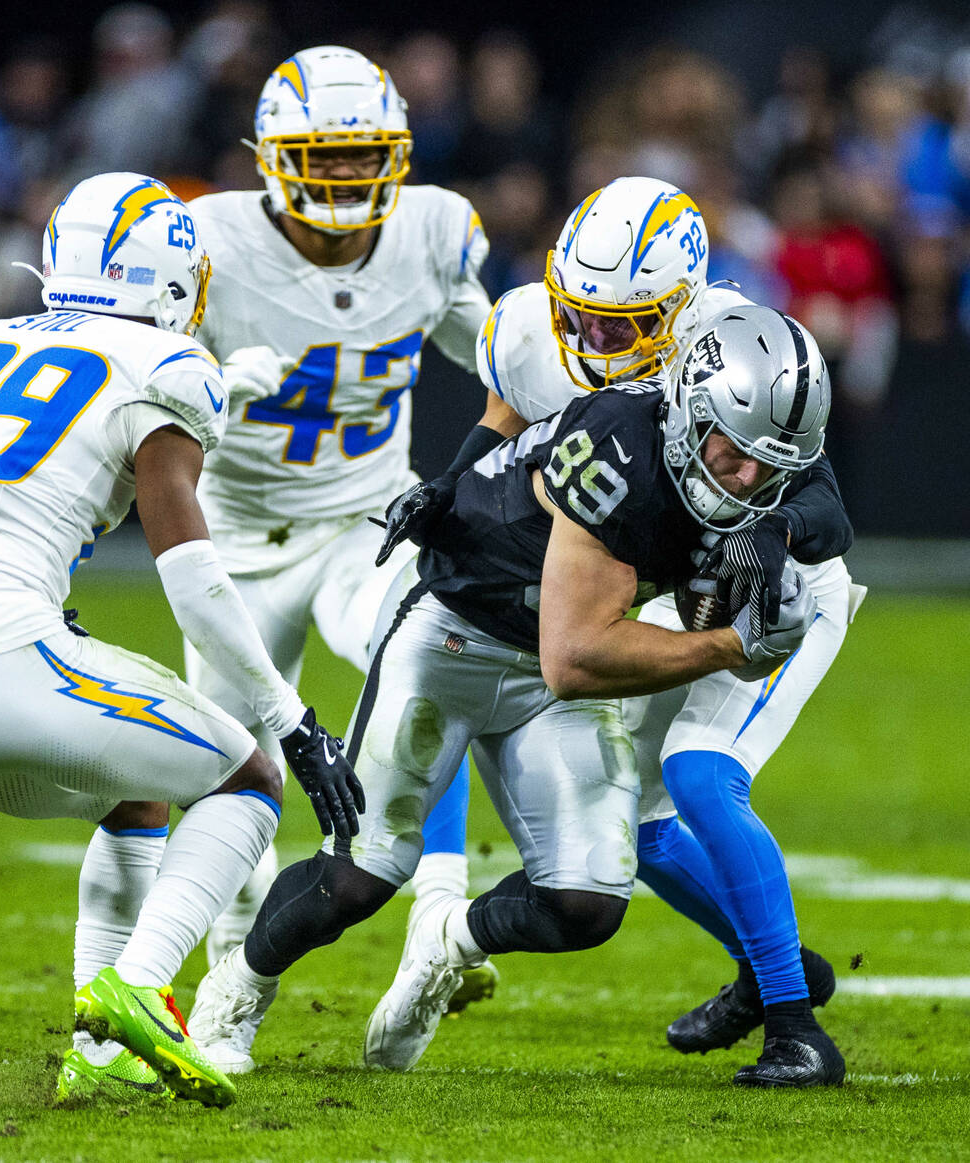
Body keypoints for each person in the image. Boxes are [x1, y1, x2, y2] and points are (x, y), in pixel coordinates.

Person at [187, 304, 833, 1081]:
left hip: (556, 663)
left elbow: (822, 511)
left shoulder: (755, 439)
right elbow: (576, 655)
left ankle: (447, 944)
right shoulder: (621, 446)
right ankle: (235, 991)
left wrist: (779, 534)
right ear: (695, 410)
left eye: (773, 462)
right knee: (360, 873)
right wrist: (731, 644)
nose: (752, 478)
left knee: (586, 901)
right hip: (457, 637)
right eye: (738, 454)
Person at [0, 171, 364, 1109]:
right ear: (169, 280)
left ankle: (97, 1049)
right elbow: (192, 577)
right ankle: (137, 987)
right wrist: (289, 716)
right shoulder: (168, 366)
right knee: (247, 776)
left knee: (140, 792)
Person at [379, 176, 859, 1087]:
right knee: (634, 823)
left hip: (780, 594)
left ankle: (796, 1026)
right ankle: (780, 970)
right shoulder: (529, 328)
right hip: (684, 589)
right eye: (584, 317)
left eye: (624, 324)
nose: (597, 342)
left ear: (682, 307)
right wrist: (446, 493)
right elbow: (503, 420)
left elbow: (825, 499)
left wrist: (774, 529)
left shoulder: (737, 344)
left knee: (698, 771)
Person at [180, 44, 498, 1002]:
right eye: (327, 154)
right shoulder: (205, 241)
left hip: (364, 516)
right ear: (272, 156)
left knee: (430, 656)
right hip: (232, 537)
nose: (350, 175)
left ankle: (441, 905)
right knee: (230, 768)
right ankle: (233, 960)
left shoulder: (433, 231)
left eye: (366, 155)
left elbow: (495, 351)